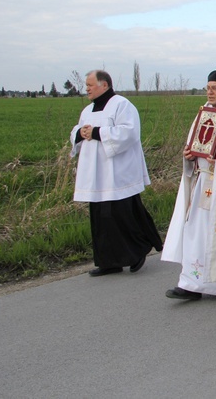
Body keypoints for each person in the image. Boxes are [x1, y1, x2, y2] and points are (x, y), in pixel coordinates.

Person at [70, 70, 163, 277]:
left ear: (104, 85)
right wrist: (80, 133)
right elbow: (77, 130)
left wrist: (94, 132)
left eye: (90, 85)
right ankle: (108, 261)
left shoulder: (121, 105)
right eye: (86, 85)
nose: (87, 89)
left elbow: (129, 133)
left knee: (121, 214)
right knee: (100, 218)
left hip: (117, 171)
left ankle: (137, 250)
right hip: (96, 173)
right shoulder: (87, 110)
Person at [161, 65, 216, 300]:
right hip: (202, 182)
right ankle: (190, 283)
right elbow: (195, 145)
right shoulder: (204, 114)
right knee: (195, 231)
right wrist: (190, 156)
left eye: (215, 88)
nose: (210, 92)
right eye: (208, 88)